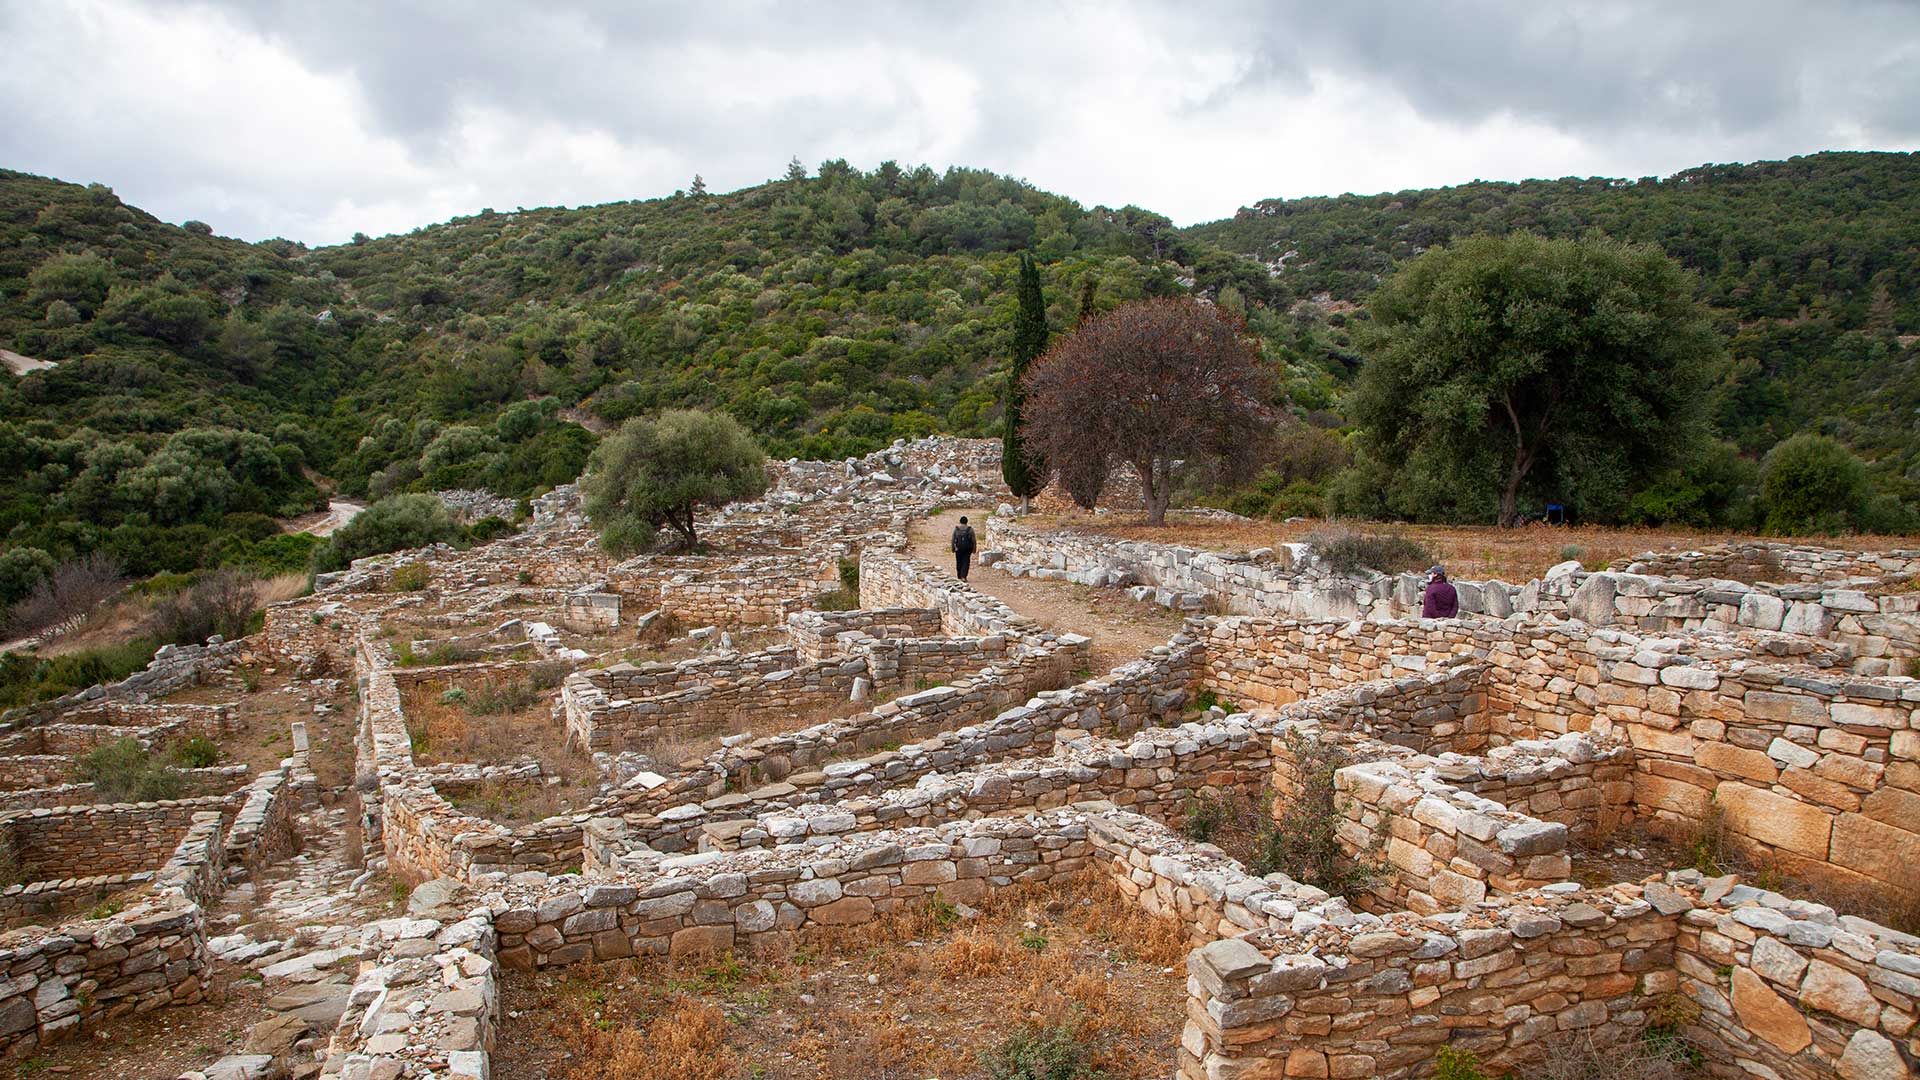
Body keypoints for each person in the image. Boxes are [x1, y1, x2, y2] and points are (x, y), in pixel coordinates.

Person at [950, 515, 977, 581]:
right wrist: (974, 549)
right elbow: (973, 540)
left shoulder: (956, 529)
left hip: (958, 548)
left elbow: (953, 539)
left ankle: (959, 576)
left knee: (959, 561)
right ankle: (963, 576)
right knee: (966, 561)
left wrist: (953, 548)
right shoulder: (970, 529)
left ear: (960, 521)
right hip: (967, 549)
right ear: (967, 522)